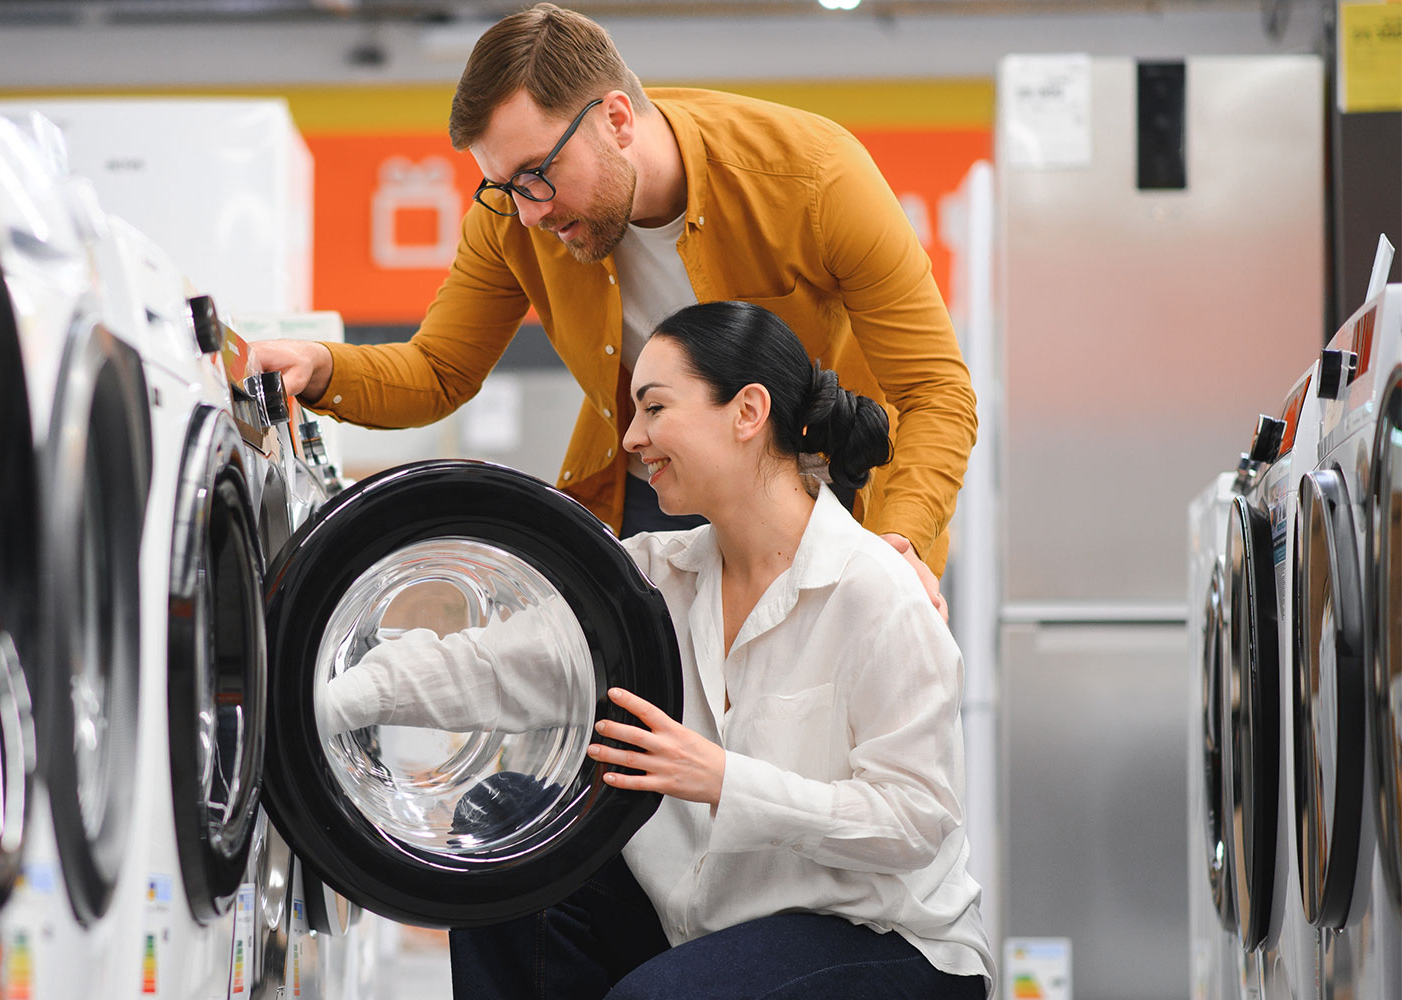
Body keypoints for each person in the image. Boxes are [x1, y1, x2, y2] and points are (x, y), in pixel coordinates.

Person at [318, 301, 991, 999]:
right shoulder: (653, 578)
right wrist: (314, 700)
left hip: (883, 940)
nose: (633, 437)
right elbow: (487, 665)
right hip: (706, 927)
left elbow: (914, 821)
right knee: (500, 822)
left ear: (747, 412)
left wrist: (725, 779)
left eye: (654, 407)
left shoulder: (874, 592)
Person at [250, 3, 975, 617]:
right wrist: (318, 369)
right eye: (503, 185)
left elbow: (935, 391)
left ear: (618, 119)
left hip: (818, 493)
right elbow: (438, 371)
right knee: (641, 736)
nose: (528, 213)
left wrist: (898, 547)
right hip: (657, 491)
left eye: (538, 174)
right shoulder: (510, 220)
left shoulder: (813, 178)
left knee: (810, 745)